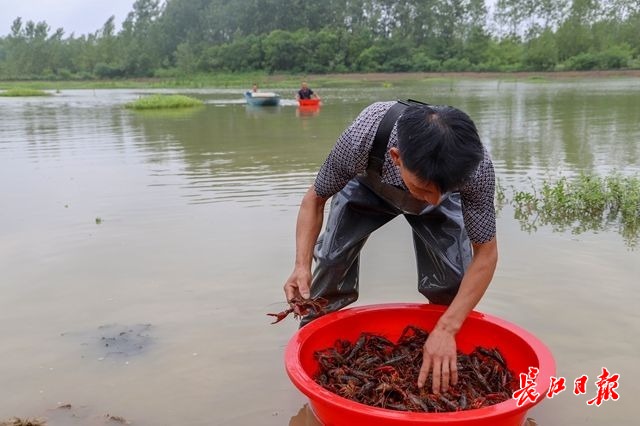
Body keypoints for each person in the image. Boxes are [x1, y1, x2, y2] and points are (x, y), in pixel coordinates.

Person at [282, 100, 498, 395]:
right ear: (396, 157)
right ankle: (312, 355)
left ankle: (443, 349)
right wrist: (301, 265)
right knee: (330, 264)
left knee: (451, 283)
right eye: (424, 189)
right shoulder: (363, 136)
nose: (431, 201)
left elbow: (485, 253)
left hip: (435, 183)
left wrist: (447, 326)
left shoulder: (476, 169)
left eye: (442, 191)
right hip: (367, 187)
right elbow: (315, 199)